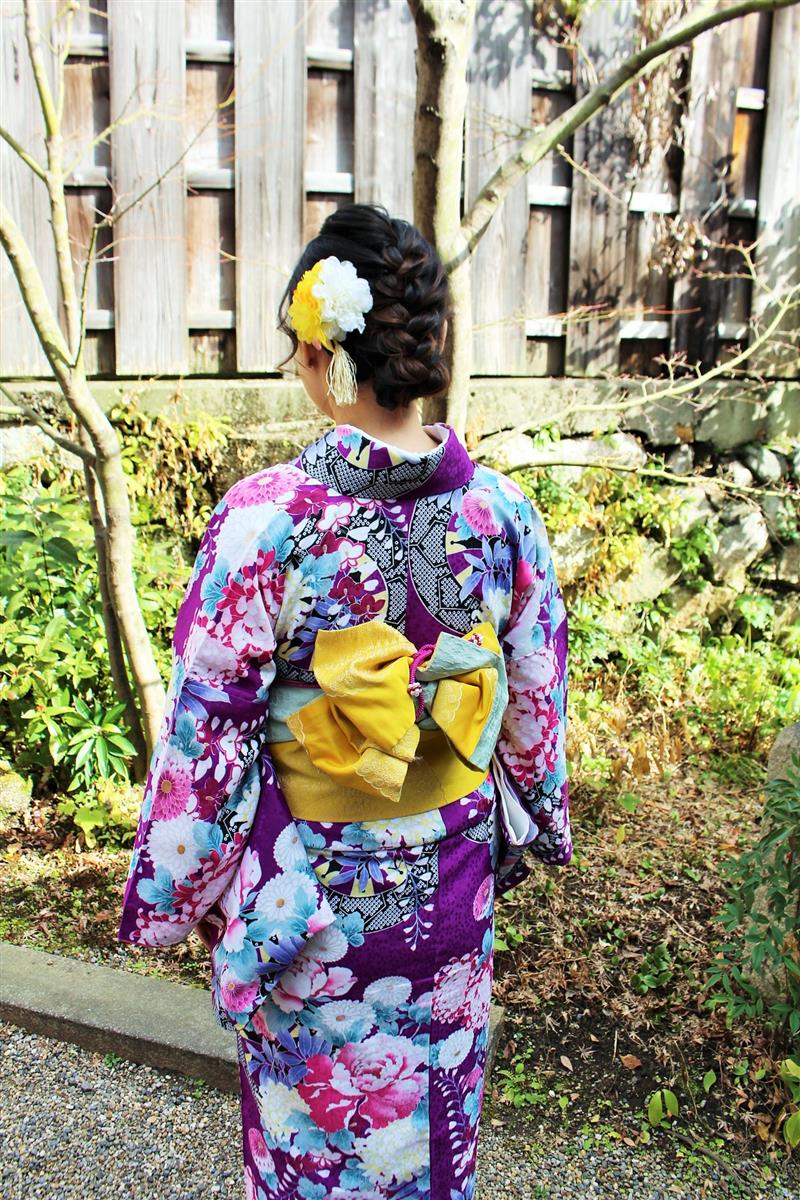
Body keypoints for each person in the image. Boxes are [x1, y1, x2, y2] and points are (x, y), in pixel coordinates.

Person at [117, 201, 571, 1200]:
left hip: (309, 908)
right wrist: (534, 824)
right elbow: (533, 712)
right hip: (450, 887)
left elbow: (207, 740)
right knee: (431, 1142)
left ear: (327, 357)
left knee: (314, 1151)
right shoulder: (502, 513)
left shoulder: (267, 521)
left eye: (297, 348)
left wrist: (179, 890)